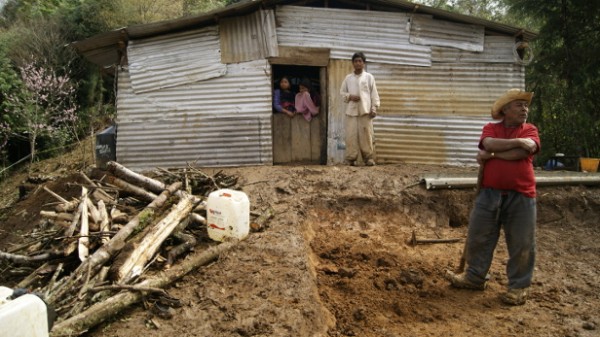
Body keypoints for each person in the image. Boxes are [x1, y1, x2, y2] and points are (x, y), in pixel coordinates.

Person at [446, 88, 540, 306]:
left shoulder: (530, 129)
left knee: (521, 242)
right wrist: (515, 144)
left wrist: (495, 155)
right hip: (489, 192)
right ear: (505, 109)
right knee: (479, 236)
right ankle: (475, 277)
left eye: (526, 106)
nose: (524, 109)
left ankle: (518, 287)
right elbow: (488, 144)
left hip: (522, 194)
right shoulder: (490, 128)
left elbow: (525, 151)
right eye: (519, 105)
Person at [340, 52, 380, 166]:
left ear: (363, 63)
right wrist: (349, 96)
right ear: (353, 63)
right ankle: (351, 159)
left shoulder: (369, 77)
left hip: (365, 111)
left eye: (360, 61)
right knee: (351, 135)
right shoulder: (348, 78)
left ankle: (368, 158)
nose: (358, 63)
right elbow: (342, 92)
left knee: (366, 135)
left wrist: (374, 108)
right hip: (351, 111)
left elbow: (374, 94)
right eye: (356, 61)